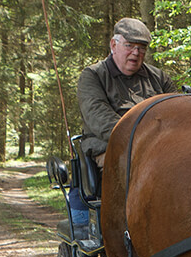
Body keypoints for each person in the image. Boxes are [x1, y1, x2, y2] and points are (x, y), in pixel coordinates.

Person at [69, 17, 177, 239]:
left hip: (159, 146)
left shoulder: (159, 78)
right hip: (109, 146)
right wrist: (142, 140)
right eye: (129, 46)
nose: (136, 53)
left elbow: (176, 113)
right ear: (113, 45)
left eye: (141, 48)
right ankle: (135, 230)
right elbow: (100, 118)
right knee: (136, 168)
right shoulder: (93, 76)